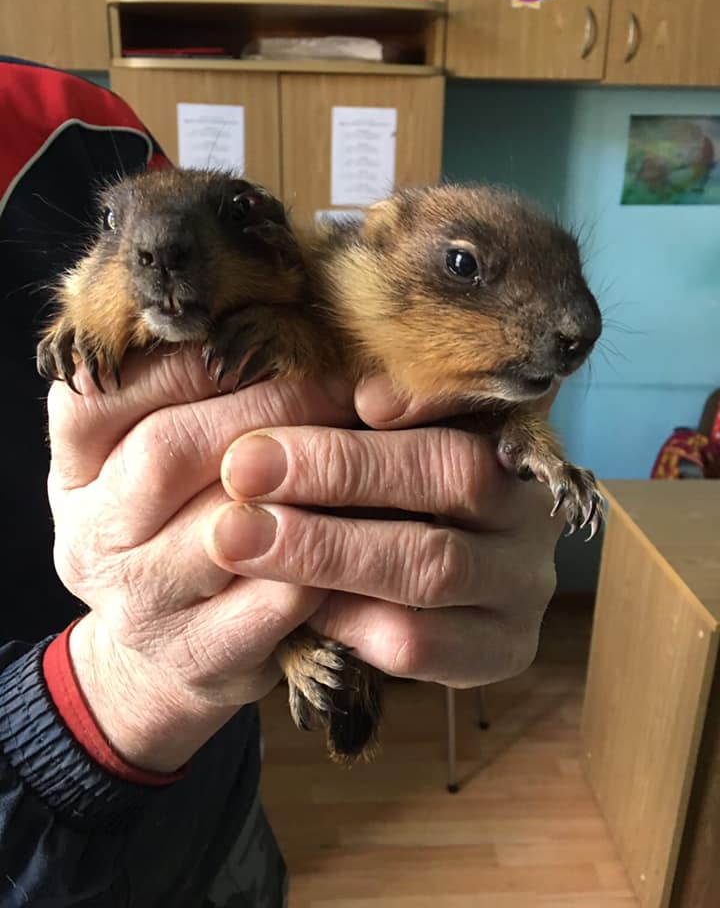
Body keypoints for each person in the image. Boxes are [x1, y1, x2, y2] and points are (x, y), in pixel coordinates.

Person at [0, 59, 563, 907]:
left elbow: (313, 318)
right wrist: (113, 688)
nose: (157, 257)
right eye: (122, 230)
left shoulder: (76, 126)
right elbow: (92, 291)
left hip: (219, 814)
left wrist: (504, 461)